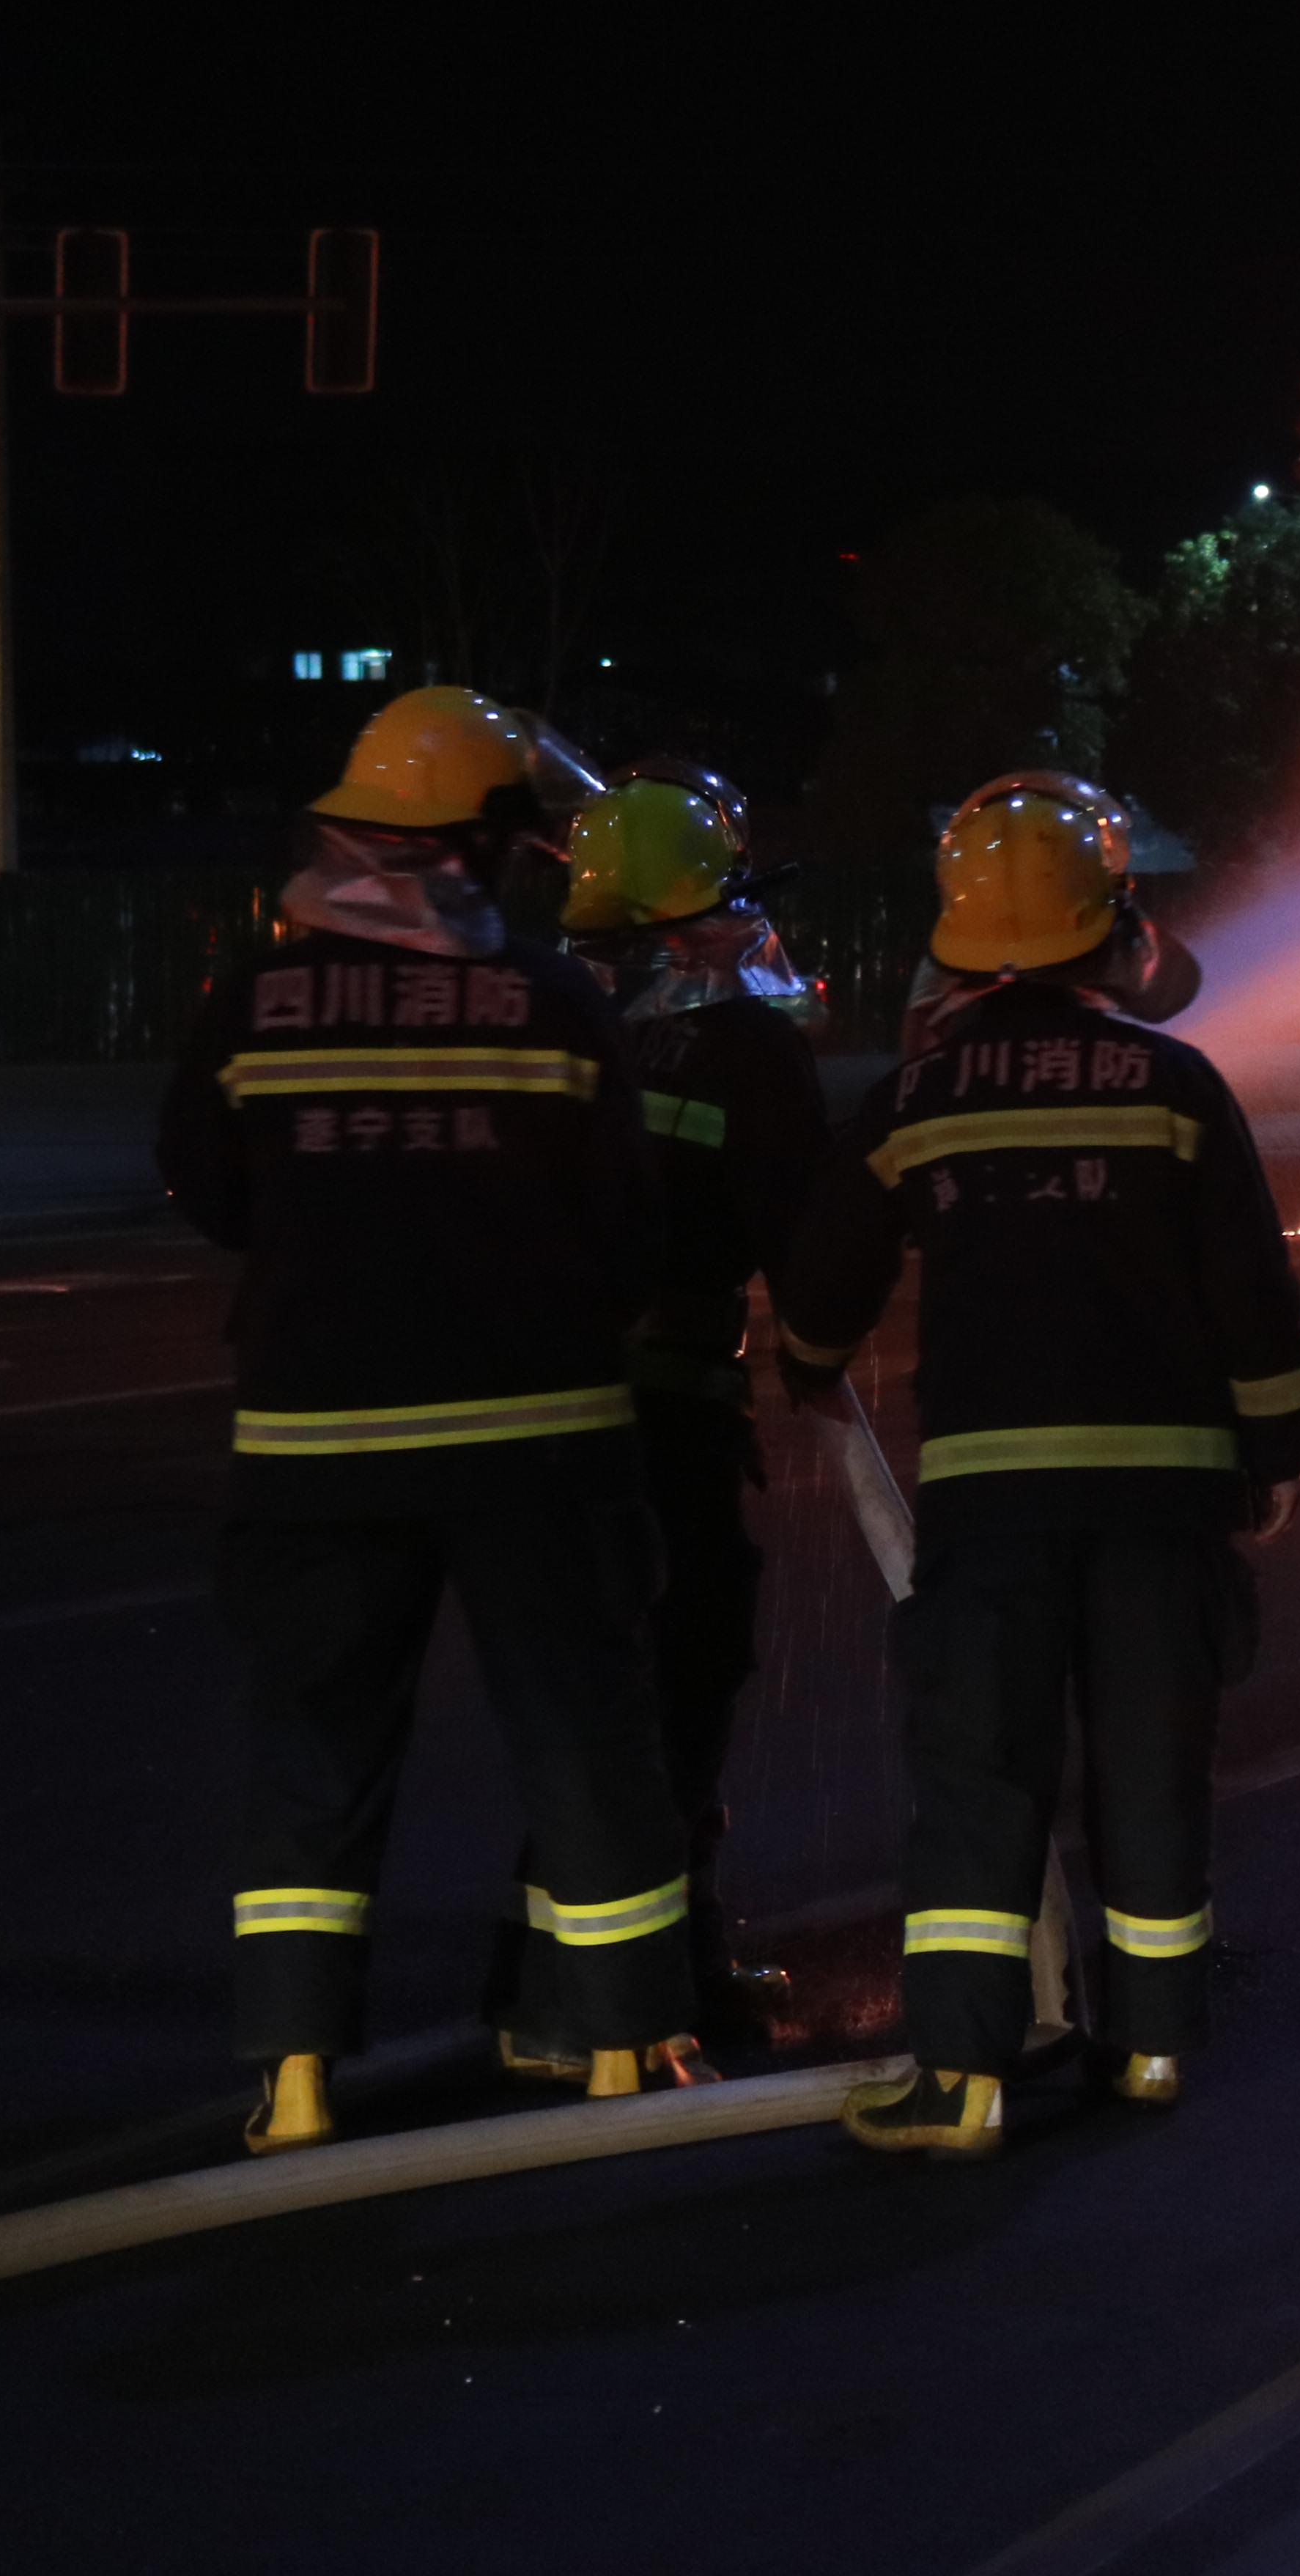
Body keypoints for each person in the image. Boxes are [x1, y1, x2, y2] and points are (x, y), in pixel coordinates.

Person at [153, 685, 698, 2153]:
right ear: (486, 836)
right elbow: (629, 1225)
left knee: (312, 1753)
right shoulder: (558, 1001)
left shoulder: (252, 1000)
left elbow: (206, 1189)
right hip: (542, 1440)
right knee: (583, 1735)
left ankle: (295, 2073)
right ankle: (617, 2039)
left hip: (317, 1448)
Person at [778, 774, 1300, 2157]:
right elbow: (1253, 1294)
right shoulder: (1179, 1083)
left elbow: (825, 1280)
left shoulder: (922, 1093)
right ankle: (1150, 2050)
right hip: (1166, 1496)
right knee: (1153, 1764)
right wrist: (1279, 1454)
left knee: (980, 1772)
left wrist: (800, 1364)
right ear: (1113, 932)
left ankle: (960, 2077)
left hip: (992, 1501)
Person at [488, 765, 830, 2071]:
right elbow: (802, 1248)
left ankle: (537, 1994)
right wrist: (820, 1341)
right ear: (696, 915)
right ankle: (652, 1989)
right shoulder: (750, 1048)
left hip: (528, 1426)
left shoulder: (535, 1022)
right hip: (669, 1424)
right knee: (675, 1700)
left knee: (582, 1704)